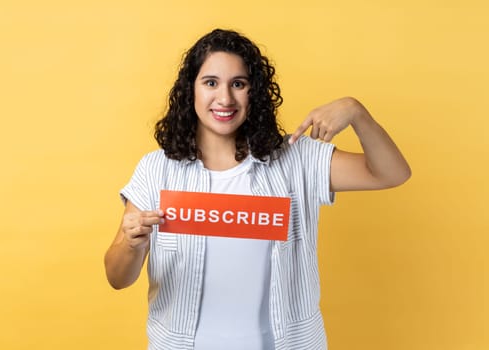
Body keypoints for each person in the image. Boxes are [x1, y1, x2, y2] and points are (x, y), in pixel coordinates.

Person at [104, 29, 411, 350]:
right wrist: (132, 243)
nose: (225, 98)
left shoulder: (297, 159)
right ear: (189, 90)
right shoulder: (157, 169)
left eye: (238, 83)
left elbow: (391, 173)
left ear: (255, 92)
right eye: (210, 82)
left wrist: (356, 111)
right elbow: (117, 278)